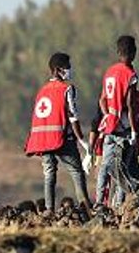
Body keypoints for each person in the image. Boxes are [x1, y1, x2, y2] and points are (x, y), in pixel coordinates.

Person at [26, 52, 94, 213]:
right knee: (76, 171)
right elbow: (73, 116)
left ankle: (49, 210)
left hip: (42, 140)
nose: (70, 70)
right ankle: (86, 207)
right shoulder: (66, 89)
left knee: (49, 175)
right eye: (67, 67)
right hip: (61, 138)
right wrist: (82, 141)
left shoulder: (42, 91)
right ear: (57, 70)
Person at [94, 36, 139, 207]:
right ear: (133, 52)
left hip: (109, 127)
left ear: (118, 52)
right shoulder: (130, 75)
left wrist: (108, 116)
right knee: (123, 169)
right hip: (124, 129)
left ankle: (99, 202)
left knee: (105, 167)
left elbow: (102, 100)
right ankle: (118, 205)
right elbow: (130, 105)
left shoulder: (109, 72)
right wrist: (134, 131)